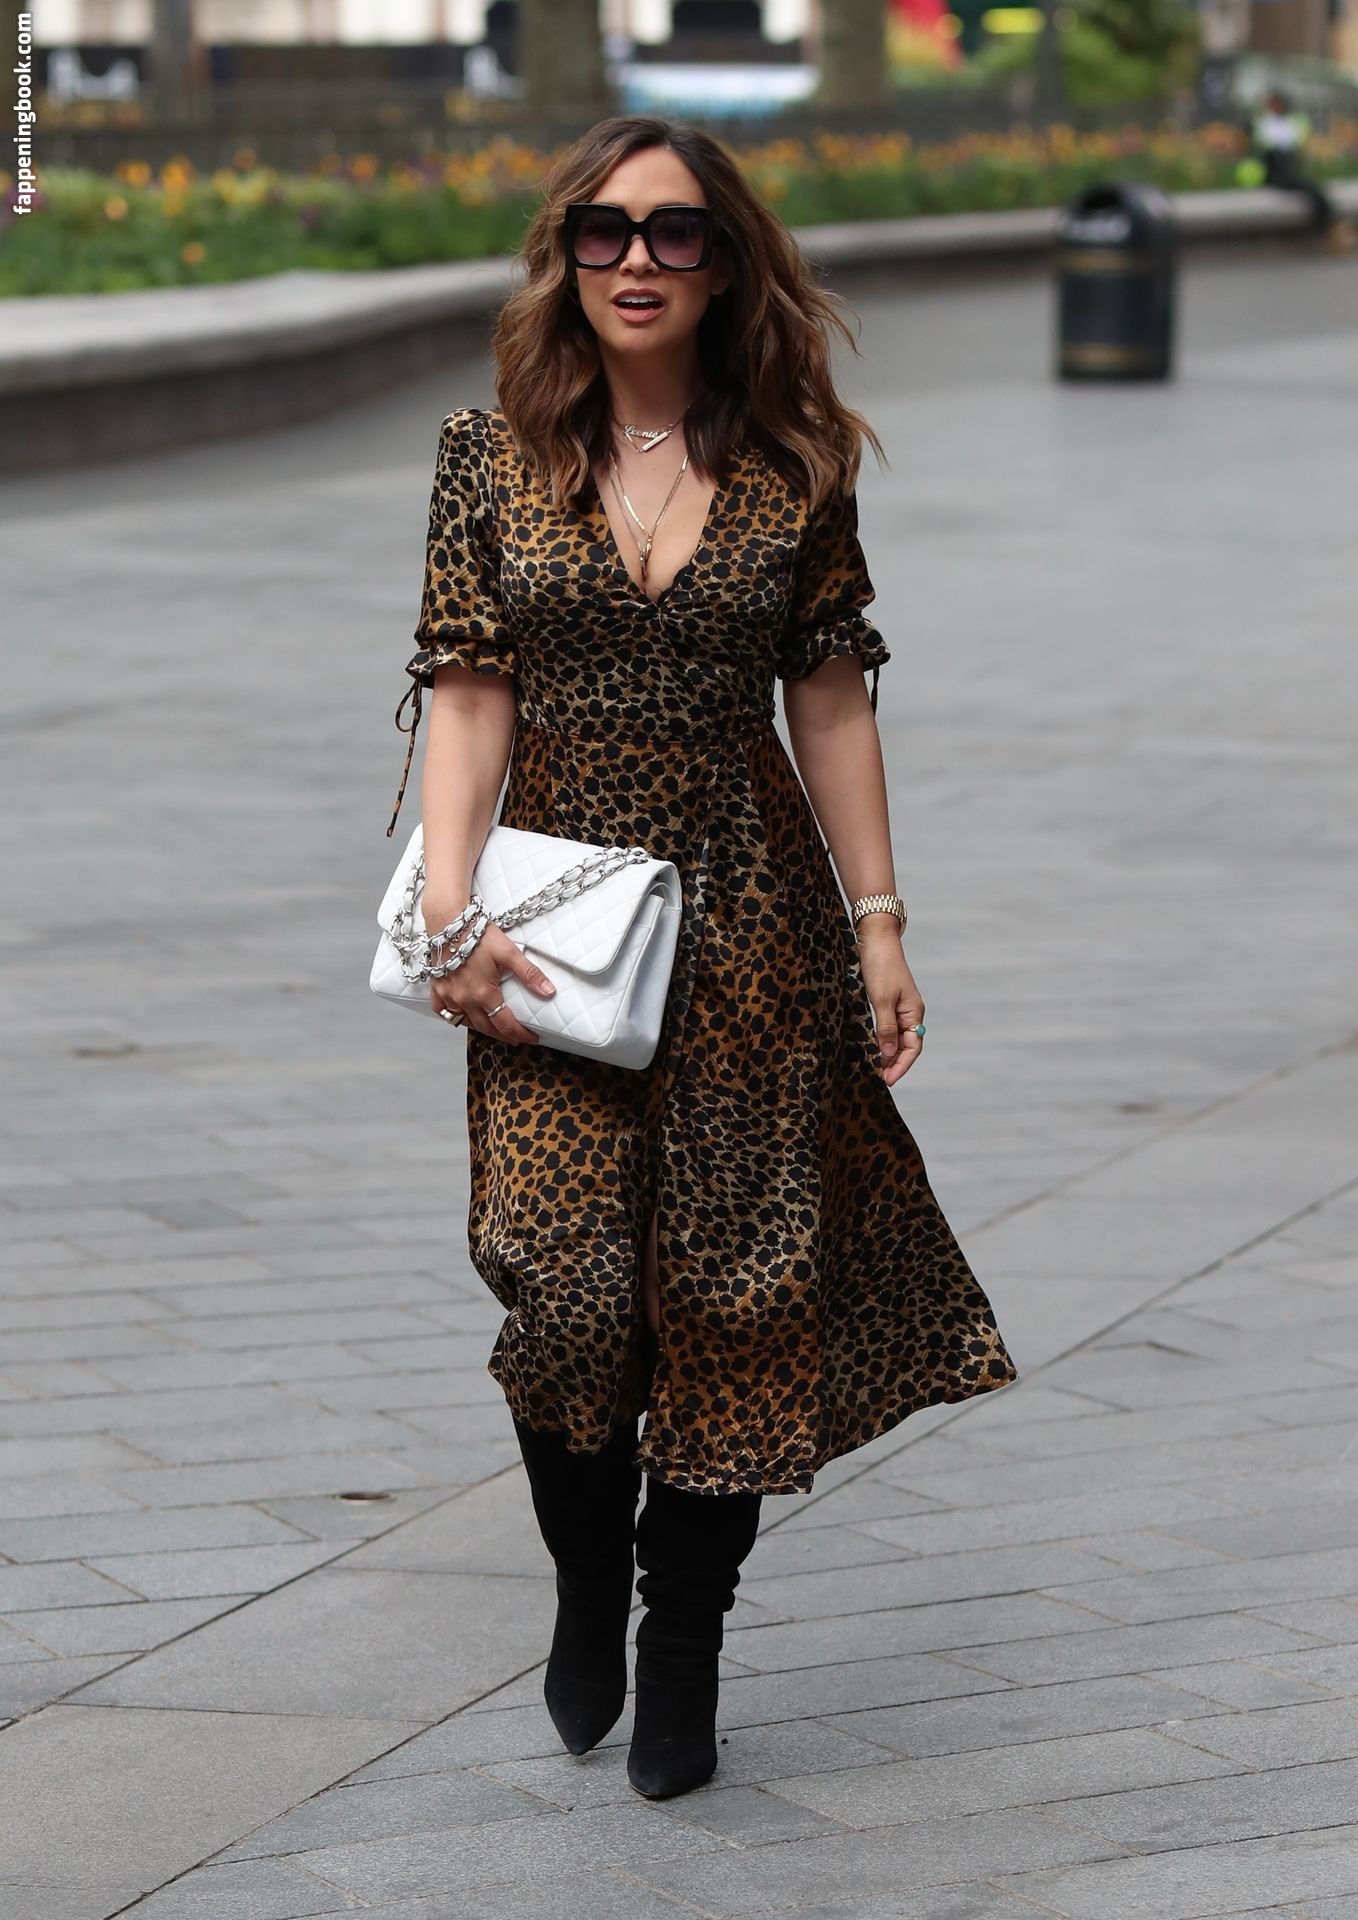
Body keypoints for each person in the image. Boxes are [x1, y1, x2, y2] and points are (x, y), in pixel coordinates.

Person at [384, 112, 1019, 1802]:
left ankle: (682, 1640)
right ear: (563, 254)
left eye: (674, 232)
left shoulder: (794, 467)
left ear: (725, 263)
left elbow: (830, 698)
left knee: (739, 1293)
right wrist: (449, 914)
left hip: (750, 927)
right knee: (559, 1279)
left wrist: (878, 924)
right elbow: (464, 691)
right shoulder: (486, 456)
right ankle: (588, 1575)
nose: (636, 261)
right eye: (602, 230)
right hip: (551, 925)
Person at [1243, 88, 1357, 251]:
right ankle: (1330, 230)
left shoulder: (1286, 123)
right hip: (1272, 172)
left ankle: (1331, 228)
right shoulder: (1263, 123)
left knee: (1314, 191)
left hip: (1283, 171)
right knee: (1314, 191)